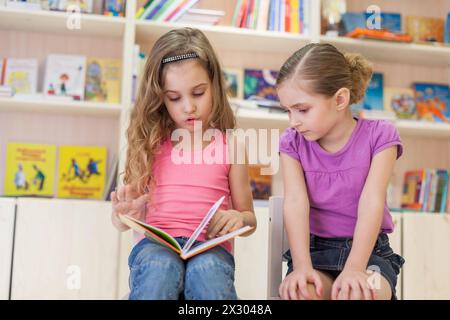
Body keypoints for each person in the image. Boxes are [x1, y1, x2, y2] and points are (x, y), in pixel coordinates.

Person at [110, 28, 257, 300]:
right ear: (160, 97)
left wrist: (239, 218)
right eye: (175, 98)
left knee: (209, 270)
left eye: (198, 93)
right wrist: (123, 213)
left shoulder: (231, 145)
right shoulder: (149, 143)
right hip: (156, 247)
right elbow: (122, 222)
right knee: (160, 266)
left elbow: (249, 218)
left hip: (210, 249)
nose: (188, 107)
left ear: (214, 84)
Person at [277, 43, 405, 300]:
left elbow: (372, 202)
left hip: (370, 254)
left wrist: (356, 268)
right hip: (314, 252)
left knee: (357, 293)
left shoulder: (381, 135)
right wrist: (301, 267)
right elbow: (294, 201)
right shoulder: (291, 141)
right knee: (302, 294)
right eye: (287, 111)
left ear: (340, 99)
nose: (293, 121)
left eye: (302, 110)